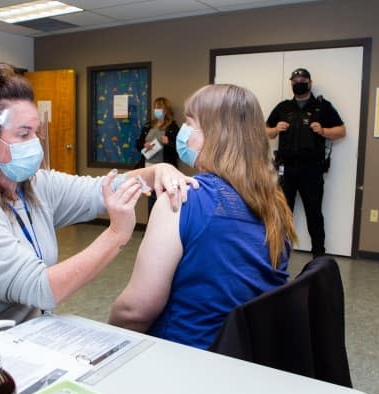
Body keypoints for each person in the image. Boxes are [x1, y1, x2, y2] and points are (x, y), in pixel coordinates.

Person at [0, 62, 196, 373]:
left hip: (2, 347)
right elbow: (40, 289)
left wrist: (156, 171)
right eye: (23, 134)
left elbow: (102, 189)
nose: (34, 144)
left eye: (35, 132)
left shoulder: (34, 187)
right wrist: (116, 235)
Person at [109, 84, 297, 350]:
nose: (183, 134)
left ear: (216, 134)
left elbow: (134, 311)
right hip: (250, 357)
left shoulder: (181, 200)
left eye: (189, 123)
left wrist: (105, 338)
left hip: (185, 357)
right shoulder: (275, 204)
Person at [266, 68, 345, 258]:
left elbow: (341, 131)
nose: (298, 82)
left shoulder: (322, 106)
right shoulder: (283, 107)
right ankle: (279, 253)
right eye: (294, 80)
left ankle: (319, 255)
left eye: (302, 79)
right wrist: (275, 129)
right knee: (283, 213)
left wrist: (324, 131)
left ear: (309, 83)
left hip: (312, 170)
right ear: (291, 83)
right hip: (286, 169)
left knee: (314, 213)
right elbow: (265, 131)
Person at [135, 97, 180, 215]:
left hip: (164, 168)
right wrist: (145, 145)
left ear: (166, 110)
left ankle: (163, 228)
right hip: (148, 166)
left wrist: (168, 143)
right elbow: (138, 145)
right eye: (155, 108)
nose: (156, 110)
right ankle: (151, 227)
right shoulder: (148, 125)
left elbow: (179, 150)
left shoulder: (172, 127)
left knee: (163, 199)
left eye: (159, 108)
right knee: (151, 199)